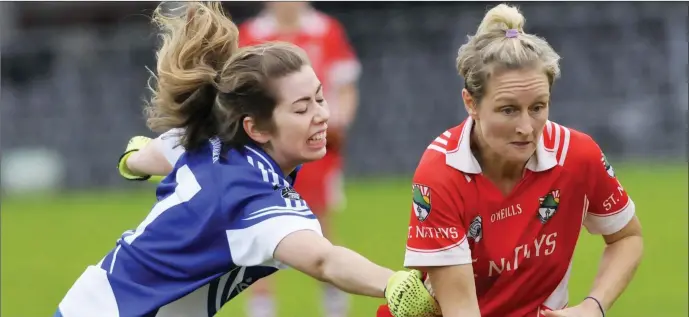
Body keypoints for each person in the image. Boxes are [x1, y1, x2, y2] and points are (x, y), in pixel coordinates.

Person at [56, 3, 440, 317]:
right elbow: (324, 261)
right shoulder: (251, 196)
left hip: (89, 301)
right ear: (256, 128)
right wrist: (393, 283)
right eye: (302, 108)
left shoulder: (208, 137)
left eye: (320, 99)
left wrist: (132, 161)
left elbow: (147, 155)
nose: (322, 115)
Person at [376, 3, 644, 317]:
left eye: (538, 107)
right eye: (508, 110)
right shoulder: (441, 174)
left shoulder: (577, 155)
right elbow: (462, 311)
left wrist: (592, 307)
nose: (526, 128)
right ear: (471, 103)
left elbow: (627, 236)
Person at [120, 3, 361, 316]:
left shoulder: (326, 29)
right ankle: (263, 309)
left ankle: (335, 308)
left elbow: (345, 88)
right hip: (257, 151)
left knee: (319, 228)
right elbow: (230, 96)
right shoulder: (252, 35)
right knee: (256, 237)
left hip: (310, 149)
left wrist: (338, 122)